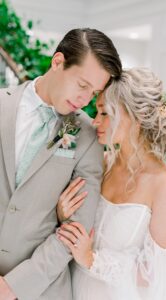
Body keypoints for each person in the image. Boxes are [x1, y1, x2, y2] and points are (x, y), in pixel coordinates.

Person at [0, 28, 122, 300]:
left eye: (94, 92)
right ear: (58, 62)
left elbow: (77, 229)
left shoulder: (88, 136)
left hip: (41, 291)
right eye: (82, 85)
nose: (85, 100)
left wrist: (14, 286)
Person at [57, 68, 166, 300]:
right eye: (96, 112)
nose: (95, 122)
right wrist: (62, 212)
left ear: (134, 117)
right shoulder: (101, 163)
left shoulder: (163, 185)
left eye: (105, 113)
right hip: (75, 291)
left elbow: (156, 273)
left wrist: (92, 260)